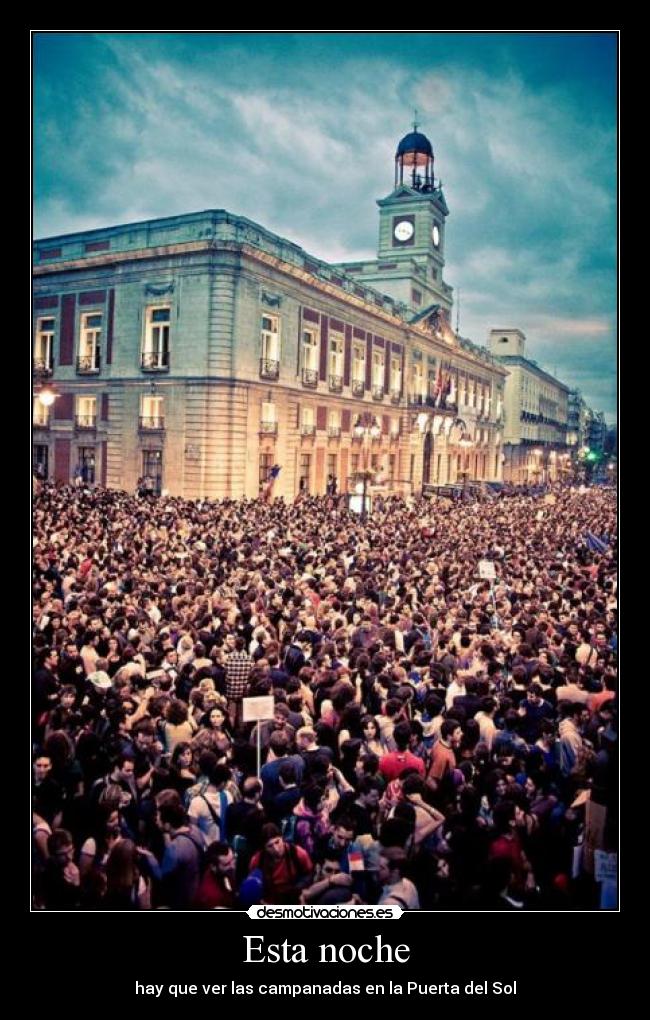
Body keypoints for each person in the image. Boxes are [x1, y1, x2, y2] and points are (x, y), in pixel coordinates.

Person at [248, 823, 313, 904]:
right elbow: (254, 886)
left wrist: (298, 889)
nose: (276, 848)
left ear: (282, 838)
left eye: (277, 842)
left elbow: (309, 874)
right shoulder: (257, 861)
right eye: (270, 846)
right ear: (264, 848)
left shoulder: (298, 853)